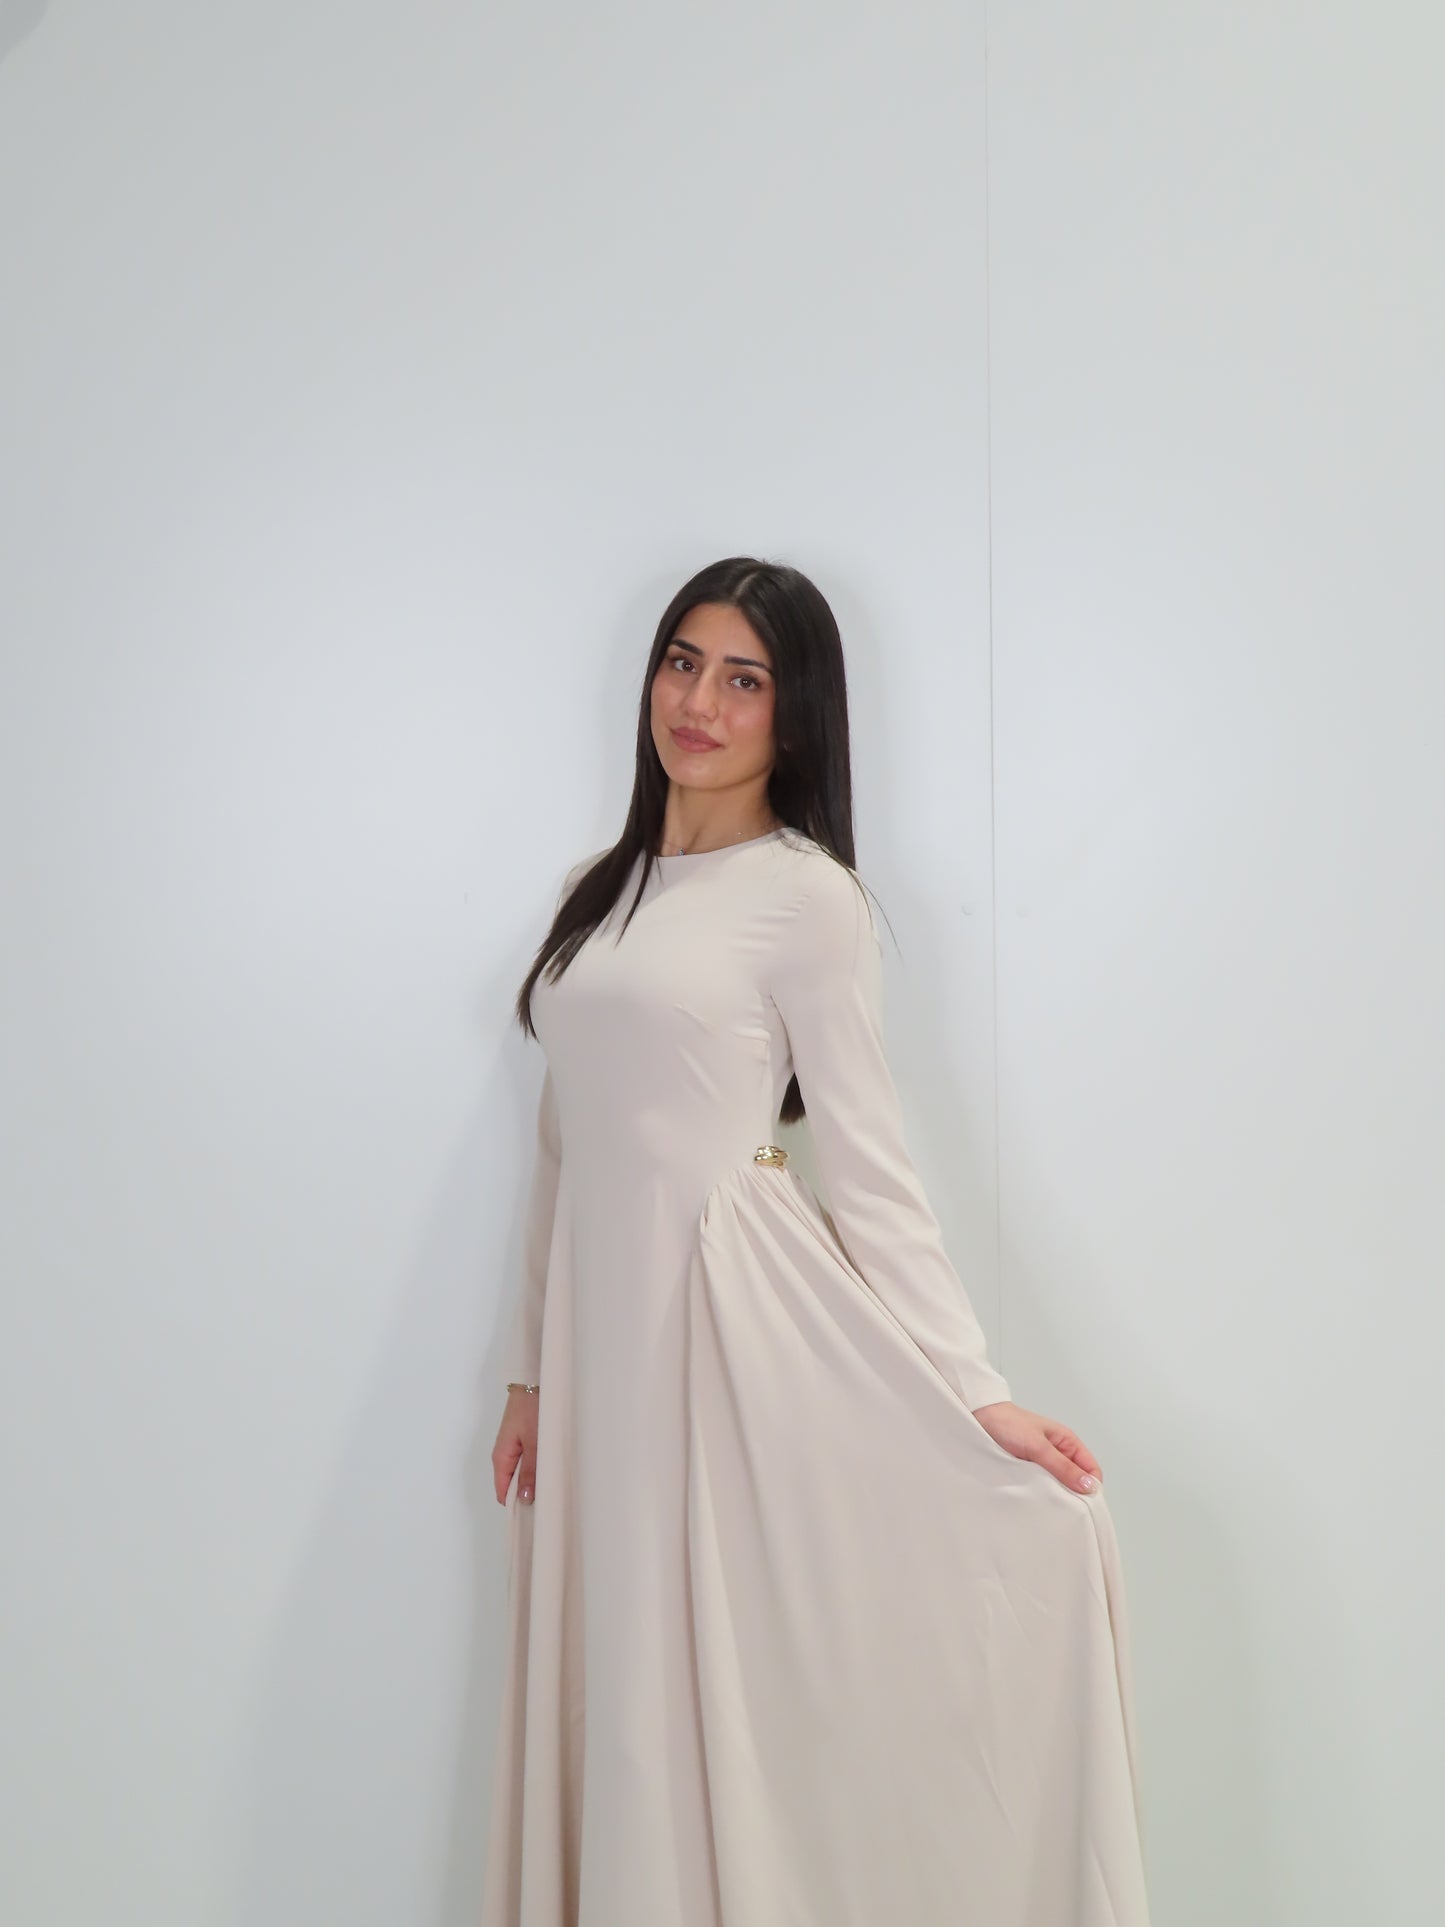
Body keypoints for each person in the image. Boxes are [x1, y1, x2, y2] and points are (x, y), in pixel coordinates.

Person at [479, 557, 1151, 1926]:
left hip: (733, 1314)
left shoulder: (809, 897)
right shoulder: (595, 889)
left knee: (727, 1656)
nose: (700, 704)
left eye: (745, 680)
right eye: (682, 663)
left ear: (796, 719)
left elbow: (870, 1159)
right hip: (604, 1333)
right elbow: (563, 1144)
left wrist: (975, 1393)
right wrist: (531, 1369)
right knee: (625, 1657)